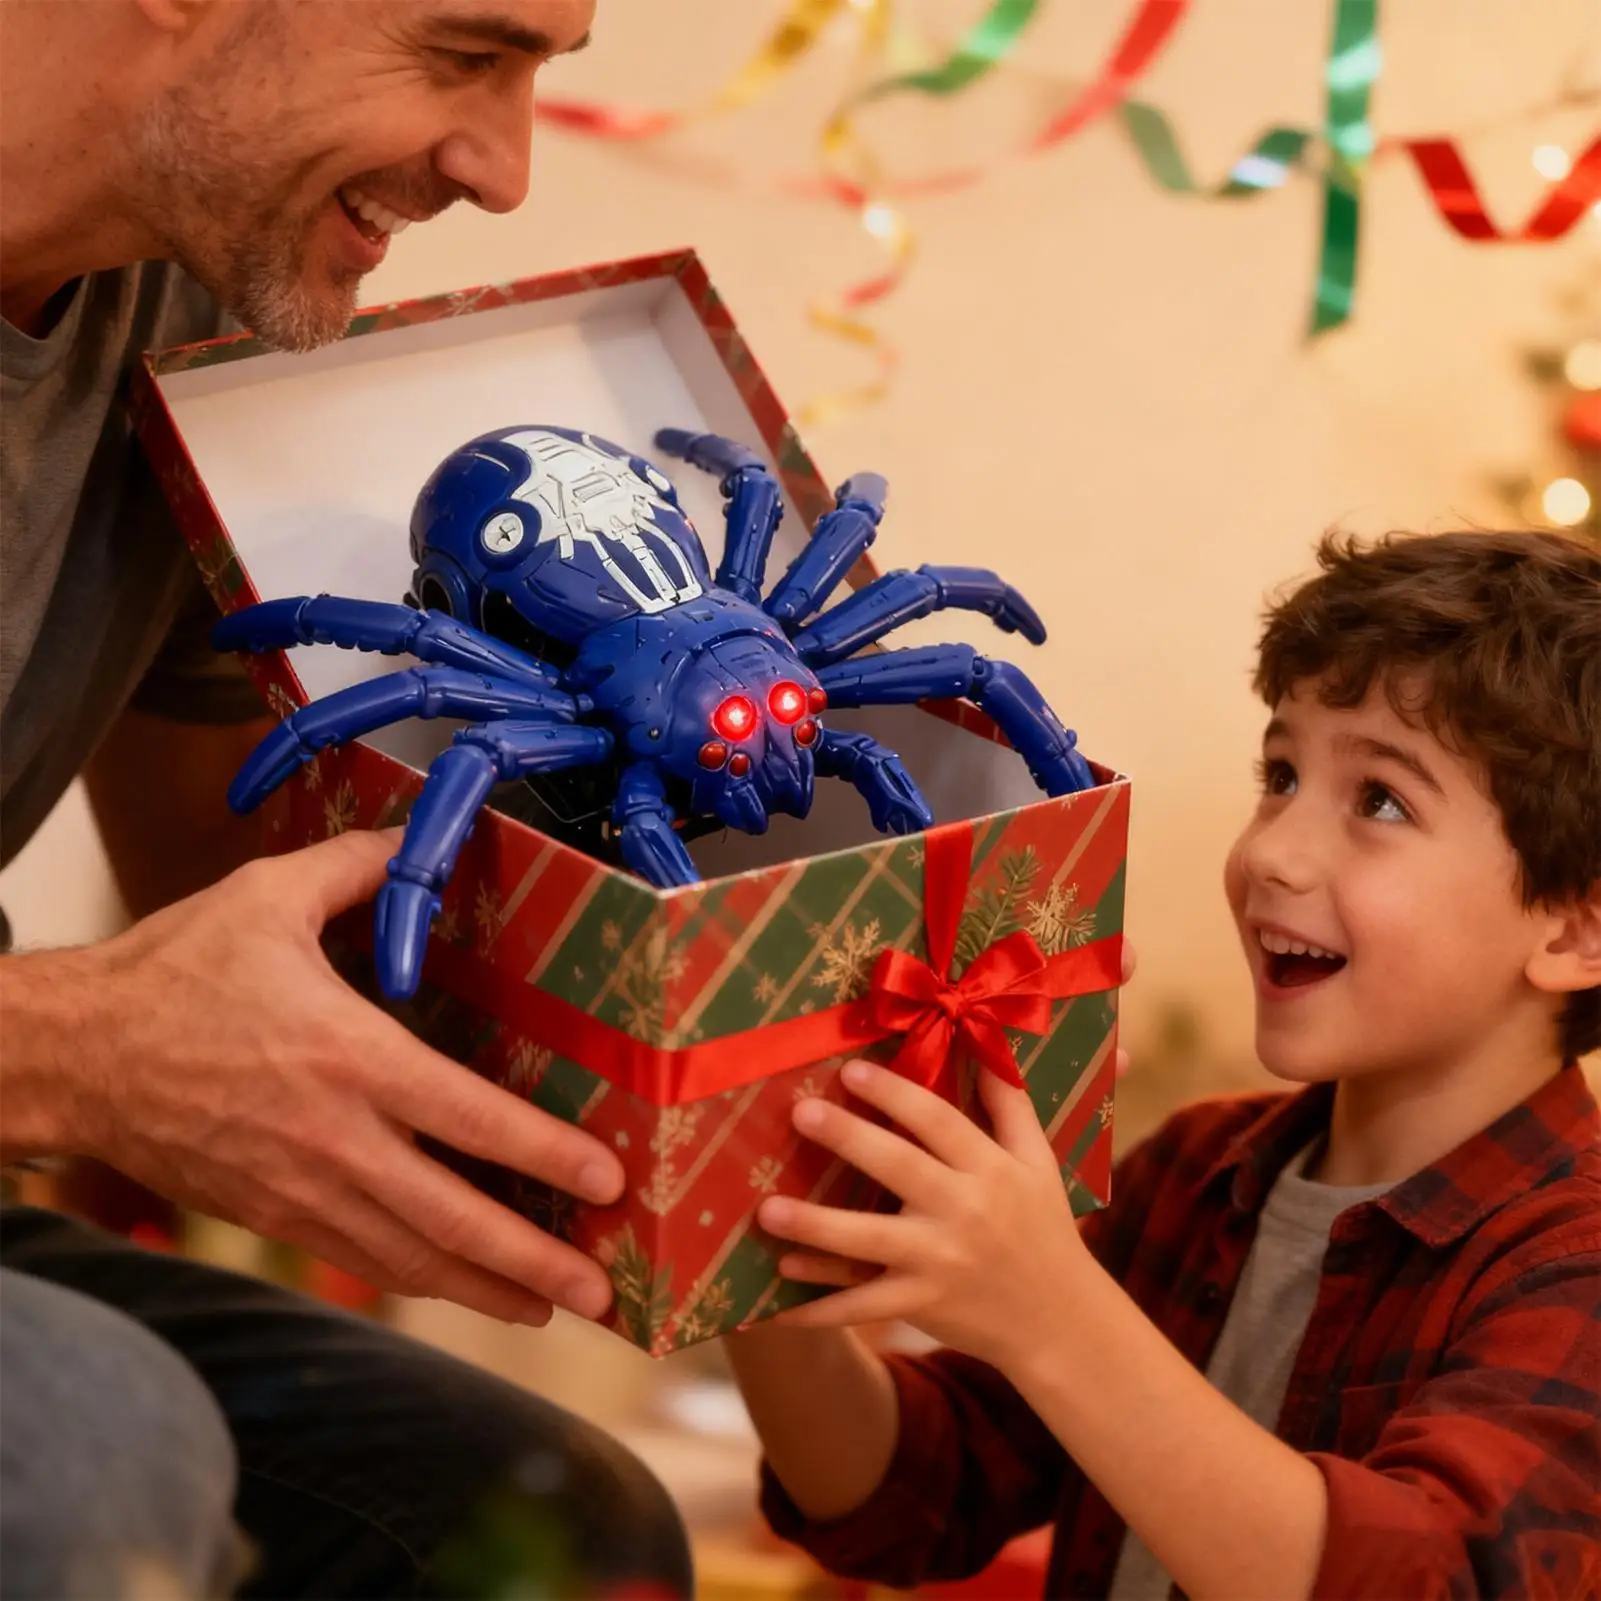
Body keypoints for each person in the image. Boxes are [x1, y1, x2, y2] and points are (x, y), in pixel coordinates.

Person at [0, 1, 695, 1595]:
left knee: (552, 1526)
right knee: (87, 1454)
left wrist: (752, 993)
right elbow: (120, 1043)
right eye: (462, 57)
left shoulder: (184, 308)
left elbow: (230, 891)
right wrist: (80, 1049)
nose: (505, 167)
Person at [724, 528, 1601, 1599]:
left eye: (1379, 800)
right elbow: (914, 1499)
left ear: (1573, 929)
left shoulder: (1574, 1265)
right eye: (1279, 774)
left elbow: (1423, 1578)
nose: (1270, 849)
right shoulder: (1195, 1169)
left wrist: (1047, 1308)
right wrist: (747, 1243)